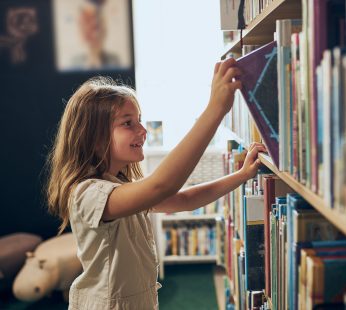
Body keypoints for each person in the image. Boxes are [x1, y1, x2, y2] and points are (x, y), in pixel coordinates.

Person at [46, 57, 266, 309]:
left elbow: (185, 199)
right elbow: (161, 185)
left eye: (139, 119)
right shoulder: (88, 193)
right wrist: (215, 109)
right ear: (93, 139)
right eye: (128, 123)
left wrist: (241, 175)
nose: (142, 130)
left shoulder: (119, 186)